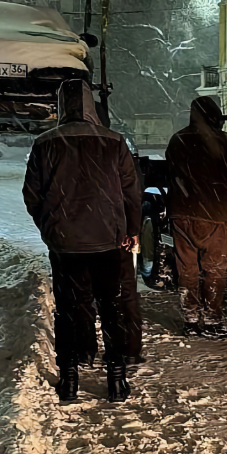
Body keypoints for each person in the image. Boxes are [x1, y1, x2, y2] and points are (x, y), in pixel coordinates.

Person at [23, 79, 143, 402]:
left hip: (65, 245)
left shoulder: (45, 143)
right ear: (91, 105)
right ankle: (116, 381)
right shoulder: (114, 142)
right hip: (108, 242)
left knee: (68, 310)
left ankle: (69, 380)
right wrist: (131, 230)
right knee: (111, 308)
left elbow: (32, 196)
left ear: (61, 106)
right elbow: (132, 193)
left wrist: (51, 228)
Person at [165, 96, 227, 339]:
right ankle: (212, 321)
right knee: (214, 269)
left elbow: (170, 171)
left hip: (182, 212)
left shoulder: (178, 140)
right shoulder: (223, 141)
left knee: (187, 268)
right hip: (213, 212)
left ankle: (190, 320)